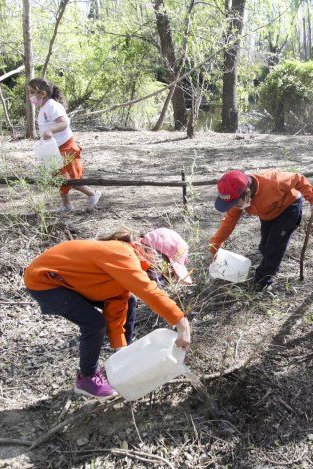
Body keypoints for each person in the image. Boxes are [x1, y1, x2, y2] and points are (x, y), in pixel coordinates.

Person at [24, 227, 193, 398]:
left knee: (129, 301)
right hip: (44, 281)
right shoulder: (122, 254)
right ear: (152, 251)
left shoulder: (125, 268)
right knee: (94, 322)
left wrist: (121, 354)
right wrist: (181, 322)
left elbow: (116, 307)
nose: (164, 275)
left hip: (74, 281)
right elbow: (147, 291)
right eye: (166, 268)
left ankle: (124, 359)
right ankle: (87, 379)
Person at [209, 169, 313, 291]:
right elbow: (228, 223)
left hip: (288, 207)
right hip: (267, 213)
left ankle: (262, 283)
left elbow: (299, 179)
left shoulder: (273, 181)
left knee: (274, 247)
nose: (234, 207)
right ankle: (270, 264)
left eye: (236, 203)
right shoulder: (237, 198)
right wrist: (215, 245)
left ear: (247, 192)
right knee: (264, 247)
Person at [27, 78, 100, 212]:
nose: (30, 96)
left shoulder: (52, 105)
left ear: (42, 94)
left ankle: (93, 194)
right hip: (54, 148)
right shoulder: (43, 108)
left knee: (72, 178)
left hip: (66, 145)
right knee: (59, 177)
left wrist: (50, 131)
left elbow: (64, 123)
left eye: (32, 92)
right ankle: (66, 205)